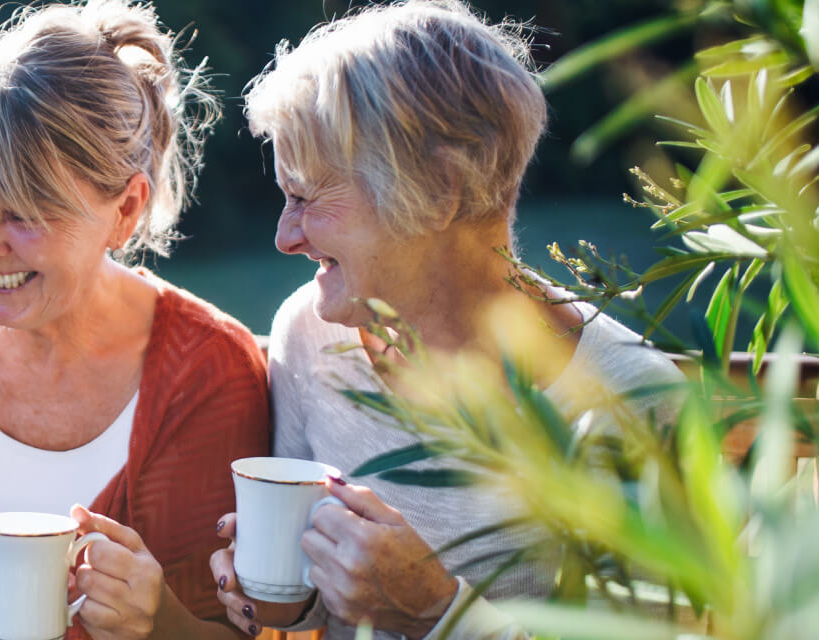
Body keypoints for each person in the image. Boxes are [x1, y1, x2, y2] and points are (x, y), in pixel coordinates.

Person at [208, 2, 687, 639]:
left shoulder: (630, 402)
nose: (284, 237)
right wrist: (281, 596)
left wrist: (439, 612)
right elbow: (311, 616)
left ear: (440, 190)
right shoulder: (310, 332)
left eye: (305, 197)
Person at [0, 1, 270, 638]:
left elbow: (237, 628)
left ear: (125, 210)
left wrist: (160, 620)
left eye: (23, 213)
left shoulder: (212, 371)